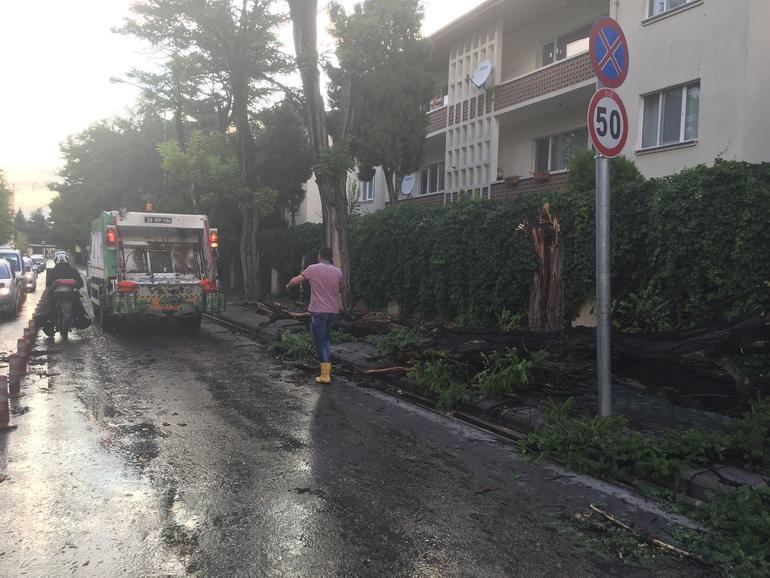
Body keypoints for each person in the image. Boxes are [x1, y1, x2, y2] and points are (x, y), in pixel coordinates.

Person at [286, 247, 343, 384]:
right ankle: (326, 369)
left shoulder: (313, 268)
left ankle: (325, 375)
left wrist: (288, 285)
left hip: (318, 311)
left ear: (320, 256)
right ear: (330, 257)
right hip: (333, 312)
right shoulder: (338, 271)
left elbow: (296, 280)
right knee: (326, 339)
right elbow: (341, 288)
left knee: (320, 340)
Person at [36, 251, 91, 334]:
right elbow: (80, 284)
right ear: (67, 259)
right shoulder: (73, 270)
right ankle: (78, 320)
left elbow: (48, 285)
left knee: (48, 306)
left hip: (57, 296)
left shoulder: (53, 271)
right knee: (79, 307)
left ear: (55, 260)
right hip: (71, 295)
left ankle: (49, 322)